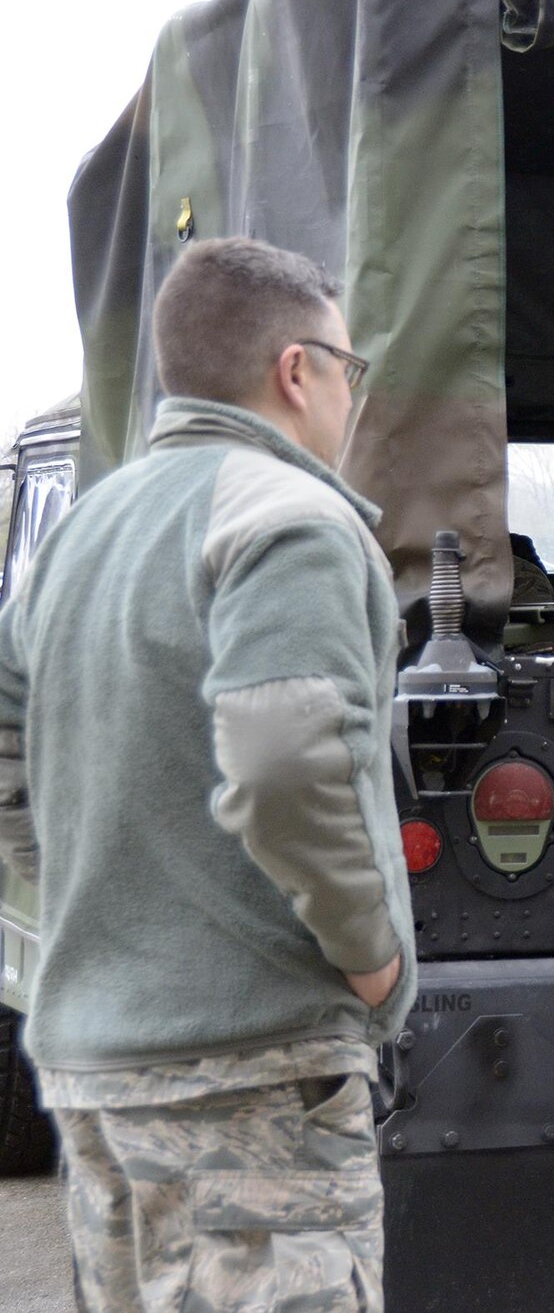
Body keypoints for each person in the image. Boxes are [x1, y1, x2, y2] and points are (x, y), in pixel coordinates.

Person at [0, 237, 417, 1312]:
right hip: (254, 1064)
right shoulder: (291, 518)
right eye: (345, 367)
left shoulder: (81, 532)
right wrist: (370, 953)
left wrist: (71, 890)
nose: (346, 396)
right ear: (296, 370)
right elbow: (283, 756)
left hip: (94, 1064)